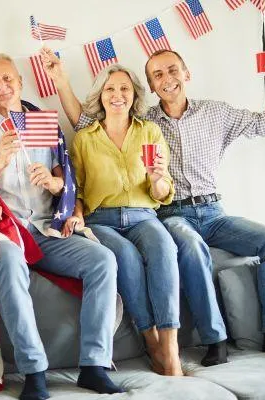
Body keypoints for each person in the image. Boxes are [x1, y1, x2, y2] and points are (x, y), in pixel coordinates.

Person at [41, 47, 265, 367]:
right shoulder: (145, 120)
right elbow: (89, 121)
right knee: (189, 247)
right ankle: (215, 338)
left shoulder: (215, 113)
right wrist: (60, 80)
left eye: (172, 70)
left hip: (214, 211)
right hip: (171, 212)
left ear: (186, 74)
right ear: (150, 86)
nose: (167, 79)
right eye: (157, 75)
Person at [0, 53, 123, 400]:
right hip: (5, 229)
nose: (2, 87)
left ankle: (94, 366)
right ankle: (34, 371)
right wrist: (0, 162)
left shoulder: (39, 120)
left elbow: (61, 172)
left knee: (103, 261)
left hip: (46, 227)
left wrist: (55, 185)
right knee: (8, 261)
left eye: (7, 79)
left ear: (20, 81)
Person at [60, 63, 182, 376]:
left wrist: (156, 179)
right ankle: (150, 338)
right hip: (101, 218)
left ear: (134, 95)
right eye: (110, 89)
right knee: (125, 256)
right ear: (100, 96)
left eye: (124, 89)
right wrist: (75, 214)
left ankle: (170, 346)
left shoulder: (149, 131)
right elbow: (78, 190)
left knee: (165, 249)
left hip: (143, 215)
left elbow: (164, 189)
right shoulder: (85, 138)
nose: (117, 95)